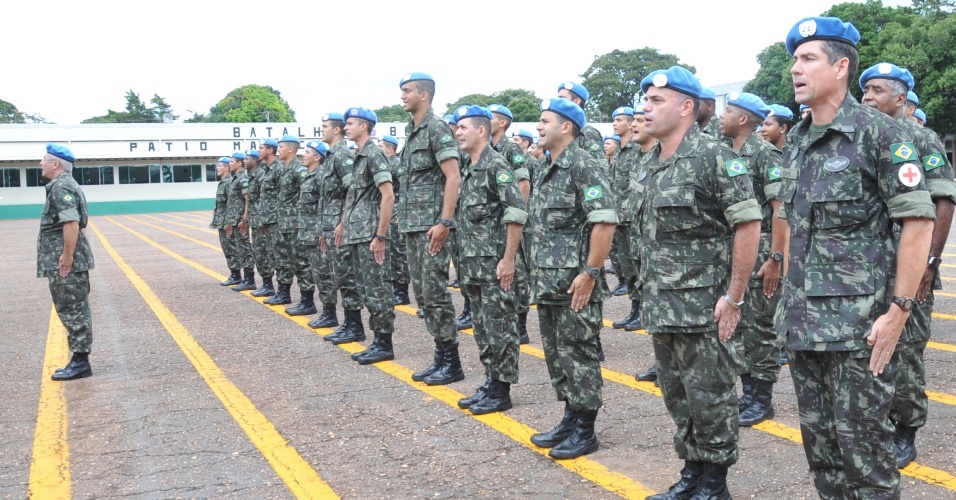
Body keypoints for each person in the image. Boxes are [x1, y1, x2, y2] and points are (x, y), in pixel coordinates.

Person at [780, 17, 935, 498]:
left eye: (808, 59)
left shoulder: (880, 134)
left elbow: (918, 221)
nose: (795, 70)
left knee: (867, 460)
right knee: (823, 456)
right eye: (794, 61)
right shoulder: (798, 141)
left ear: (841, 66)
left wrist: (899, 311)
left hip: (859, 330)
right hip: (804, 327)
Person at [638, 66, 761, 499]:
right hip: (662, 306)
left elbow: (748, 224)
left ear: (687, 107)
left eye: (656, 101)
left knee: (711, 399)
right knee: (678, 397)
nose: (645, 108)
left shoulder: (714, 156)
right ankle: (692, 474)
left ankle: (715, 483)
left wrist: (735, 297)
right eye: (645, 100)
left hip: (705, 307)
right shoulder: (649, 163)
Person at [859, 61, 956, 468]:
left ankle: (906, 430)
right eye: (864, 91)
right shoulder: (857, 139)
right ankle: (874, 423)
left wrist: (929, 265)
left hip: (911, 265)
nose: (867, 97)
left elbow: (943, 201)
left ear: (900, 98)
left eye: (877, 90)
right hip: (866, 269)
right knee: (868, 347)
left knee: (907, 349)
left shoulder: (922, 138)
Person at [527, 98, 617, 459]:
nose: (538, 126)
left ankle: (585, 429)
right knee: (557, 356)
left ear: (566, 127)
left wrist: (591, 273)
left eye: (545, 121)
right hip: (548, 283)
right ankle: (569, 416)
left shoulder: (584, 165)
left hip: (575, 284)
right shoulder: (544, 168)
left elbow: (605, 221)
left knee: (578, 354)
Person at [451, 105, 528, 414]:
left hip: (496, 265)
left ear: (481, 131)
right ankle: (490, 380)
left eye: (463, 127)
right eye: (457, 128)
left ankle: (501, 389)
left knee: (500, 327)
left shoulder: (496, 165)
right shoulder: (470, 168)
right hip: (473, 264)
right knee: (482, 327)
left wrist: (508, 258)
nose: (457, 132)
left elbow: (516, 211)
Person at [718, 92, 785, 427]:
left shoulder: (765, 155)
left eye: (727, 111)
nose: (721, 116)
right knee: (741, 327)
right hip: (737, 253)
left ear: (743, 119)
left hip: (761, 256)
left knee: (761, 328)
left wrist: (776, 257)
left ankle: (763, 397)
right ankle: (749, 391)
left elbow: (780, 210)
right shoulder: (728, 152)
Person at [395, 72, 465, 385]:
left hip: (432, 227)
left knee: (435, 293)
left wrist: (445, 221)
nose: (402, 96)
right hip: (414, 226)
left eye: (407, 91)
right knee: (423, 295)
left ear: (424, 95)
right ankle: (440, 355)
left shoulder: (436, 128)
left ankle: (452, 362)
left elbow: (453, 176)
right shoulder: (411, 132)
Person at [338, 108, 397, 364]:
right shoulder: (359, 156)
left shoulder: (374, 154)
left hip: (371, 233)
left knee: (378, 289)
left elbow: (388, 195)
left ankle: (384, 343)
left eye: (349, 123)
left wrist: (381, 235)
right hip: (357, 233)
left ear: (364, 127)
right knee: (365, 288)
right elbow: (354, 196)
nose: (345, 127)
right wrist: (342, 223)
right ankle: (376, 340)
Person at [38, 144, 96, 381]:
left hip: (67, 261)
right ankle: (79, 359)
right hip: (67, 258)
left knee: (73, 309)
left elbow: (71, 223)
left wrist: (67, 257)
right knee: (73, 307)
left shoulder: (62, 186)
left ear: (55, 164)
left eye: (43, 160)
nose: (40, 164)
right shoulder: (63, 185)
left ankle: (81, 362)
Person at [488, 104, 533, 343]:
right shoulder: (488, 148)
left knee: (518, 272)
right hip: (497, 224)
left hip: (512, 221)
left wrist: (518, 216)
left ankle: (522, 325)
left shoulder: (510, 147)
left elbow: (523, 183)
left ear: (502, 123)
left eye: (491, 118)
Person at [317, 113, 363, 338]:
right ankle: (347, 323)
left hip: (340, 227)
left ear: (336, 130)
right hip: (330, 226)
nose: (321, 129)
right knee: (338, 276)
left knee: (347, 276)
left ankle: (355, 326)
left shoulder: (342, 154)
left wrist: (343, 222)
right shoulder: (331, 156)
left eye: (325, 126)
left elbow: (351, 189)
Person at [629, 107, 663, 383]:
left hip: (684, 268)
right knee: (654, 313)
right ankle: (661, 364)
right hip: (647, 252)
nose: (634, 124)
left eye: (640, 119)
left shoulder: (706, 154)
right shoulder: (645, 161)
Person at [297, 140, 334, 326]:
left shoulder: (321, 176)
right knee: (315, 272)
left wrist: (321, 231)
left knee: (324, 273)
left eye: (308, 152)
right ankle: (313, 305)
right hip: (307, 231)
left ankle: (330, 314)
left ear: (317, 157)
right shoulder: (309, 175)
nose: (304, 155)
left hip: (317, 232)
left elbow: (324, 205)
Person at [607, 107, 637, 300]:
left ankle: (639, 308)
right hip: (619, 215)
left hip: (631, 216)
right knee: (625, 264)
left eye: (619, 120)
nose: (615, 124)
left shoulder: (636, 150)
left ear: (630, 123)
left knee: (635, 265)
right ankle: (634, 307)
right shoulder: (620, 152)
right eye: (614, 120)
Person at [380, 135, 411, 306]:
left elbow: (406, 187)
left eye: (381, 146)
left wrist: (403, 211)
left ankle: (402, 292)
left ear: (390, 149)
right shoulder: (385, 165)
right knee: (390, 253)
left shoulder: (396, 165)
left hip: (397, 213)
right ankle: (394, 288)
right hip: (388, 214)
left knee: (399, 254)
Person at [253, 138, 282, 297]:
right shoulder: (266, 169)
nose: (258, 150)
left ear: (270, 150)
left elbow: (282, 195)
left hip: (276, 220)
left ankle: (282, 291)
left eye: (261, 147)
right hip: (266, 220)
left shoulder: (278, 168)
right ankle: (270, 286)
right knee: (268, 254)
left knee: (278, 257)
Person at [241, 149, 272, 294]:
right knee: (258, 253)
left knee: (262, 253)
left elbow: (263, 199)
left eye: (247, 159)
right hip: (255, 221)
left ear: (254, 161)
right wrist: (246, 219)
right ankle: (266, 284)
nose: (244, 161)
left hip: (261, 222)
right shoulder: (252, 176)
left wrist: (261, 221)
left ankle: (268, 285)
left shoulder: (260, 175)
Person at [224, 151, 255, 292]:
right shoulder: (235, 178)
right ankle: (243, 278)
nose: (230, 164)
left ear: (239, 163)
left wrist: (244, 219)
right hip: (234, 220)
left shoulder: (243, 178)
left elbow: (248, 199)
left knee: (245, 249)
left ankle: (249, 279)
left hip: (240, 220)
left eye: (232, 162)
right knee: (239, 249)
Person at [556, 81, 607, 165]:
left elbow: (600, 168)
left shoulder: (588, 132)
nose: (558, 102)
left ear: (576, 101)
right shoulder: (558, 129)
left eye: (562, 98)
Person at [211, 157, 239, 285]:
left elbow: (231, 204)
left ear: (227, 168)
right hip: (221, 221)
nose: (217, 168)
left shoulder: (229, 182)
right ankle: (234, 274)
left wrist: (229, 222)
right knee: (227, 248)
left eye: (220, 166)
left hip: (227, 222)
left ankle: (236, 275)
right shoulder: (223, 182)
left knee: (231, 248)